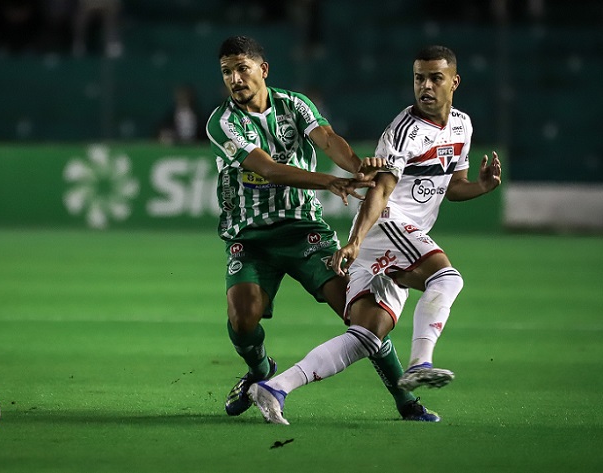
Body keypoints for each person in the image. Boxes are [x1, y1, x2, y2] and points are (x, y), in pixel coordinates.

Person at [249, 45, 502, 424]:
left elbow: (454, 185)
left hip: (393, 238)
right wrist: (354, 241)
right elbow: (380, 190)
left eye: (435, 78)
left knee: (368, 336)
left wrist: (480, 187)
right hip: (385, 223)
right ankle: (421, 362)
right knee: (447, 277)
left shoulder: (462, 125)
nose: (426, 87)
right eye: (419, 78)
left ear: (455, 81)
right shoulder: (405, 131)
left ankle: (274, 388)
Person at [206, 35, 440, 423]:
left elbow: (327, 139)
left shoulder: (294, 105)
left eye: (241, 69)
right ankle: (262, 371)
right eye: (227, 72)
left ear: (262, 70)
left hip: (305, 231)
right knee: (242, 317)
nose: (234, 79)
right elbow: (267, 168)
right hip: (251, 238)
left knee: (362, 315)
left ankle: (406, 401)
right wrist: (327, 181)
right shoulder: (223, 121)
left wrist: (356, 169)